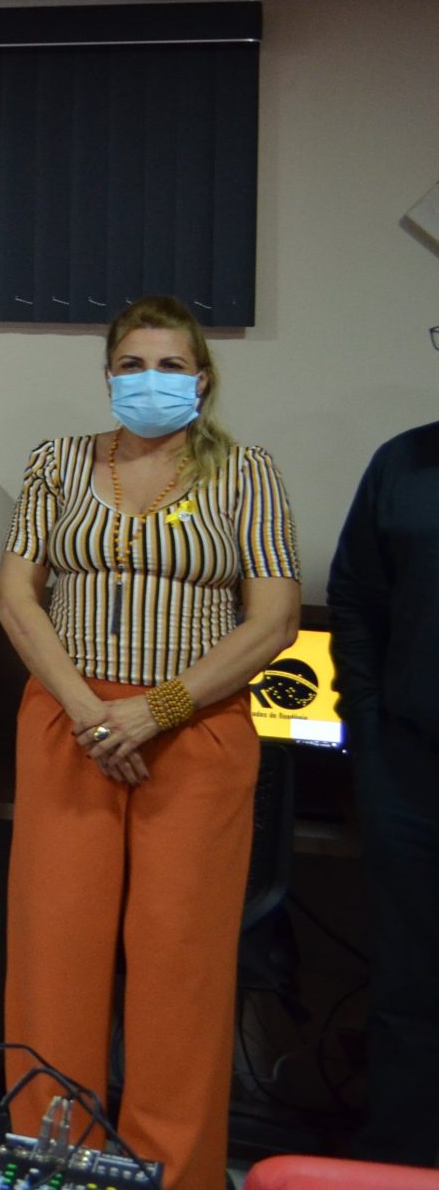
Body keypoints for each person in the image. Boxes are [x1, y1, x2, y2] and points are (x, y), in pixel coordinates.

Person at [0, 294, 301, 1190]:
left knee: (180, 966)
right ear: (107, 376)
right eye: (131, 365)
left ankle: (173, 1175)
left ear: (202, 379)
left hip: (195, 733)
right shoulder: (56, 462)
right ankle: (52, 1165)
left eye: (170, 366)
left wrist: (156, 710)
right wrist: (90, 711)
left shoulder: (247, 472)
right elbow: (17, 597)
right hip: (68, 724)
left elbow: (275, 619)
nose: (149, 380)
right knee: (54, 954)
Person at [327, 336, 439, 1168]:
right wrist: (367, 730)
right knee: (408, 983)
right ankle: (399, 1163)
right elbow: (356, 604)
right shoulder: (402, 466)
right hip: (409, 770)